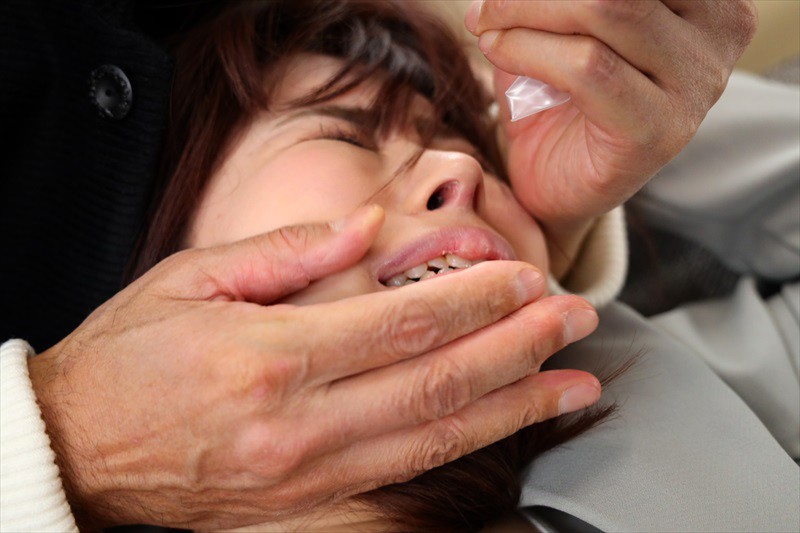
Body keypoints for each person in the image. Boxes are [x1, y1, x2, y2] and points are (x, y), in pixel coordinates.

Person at [0, 0, 770, 530]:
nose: (460, 167)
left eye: (474, 150)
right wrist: (62, 443)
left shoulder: (651, 394)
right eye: (345, 135)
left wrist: (561, 203)